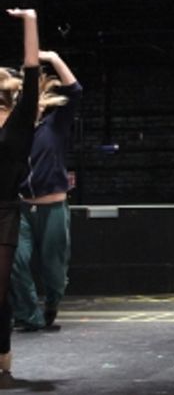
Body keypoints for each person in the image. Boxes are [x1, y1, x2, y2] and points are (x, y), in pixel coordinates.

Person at [9, 49, 81, 332]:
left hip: (53, 207)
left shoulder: (56, 124)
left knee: (54, 269)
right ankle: (29, 315)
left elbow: (75, 90)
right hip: (22, 207)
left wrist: (52, 57)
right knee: (15, 261)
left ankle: (51, 303)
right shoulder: (12, 131)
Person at [0, 8, 44, 372]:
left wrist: (30, 20)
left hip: (4, 212)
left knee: (0, 289)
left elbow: (32, 70)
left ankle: (2, 348)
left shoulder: (19, 122)